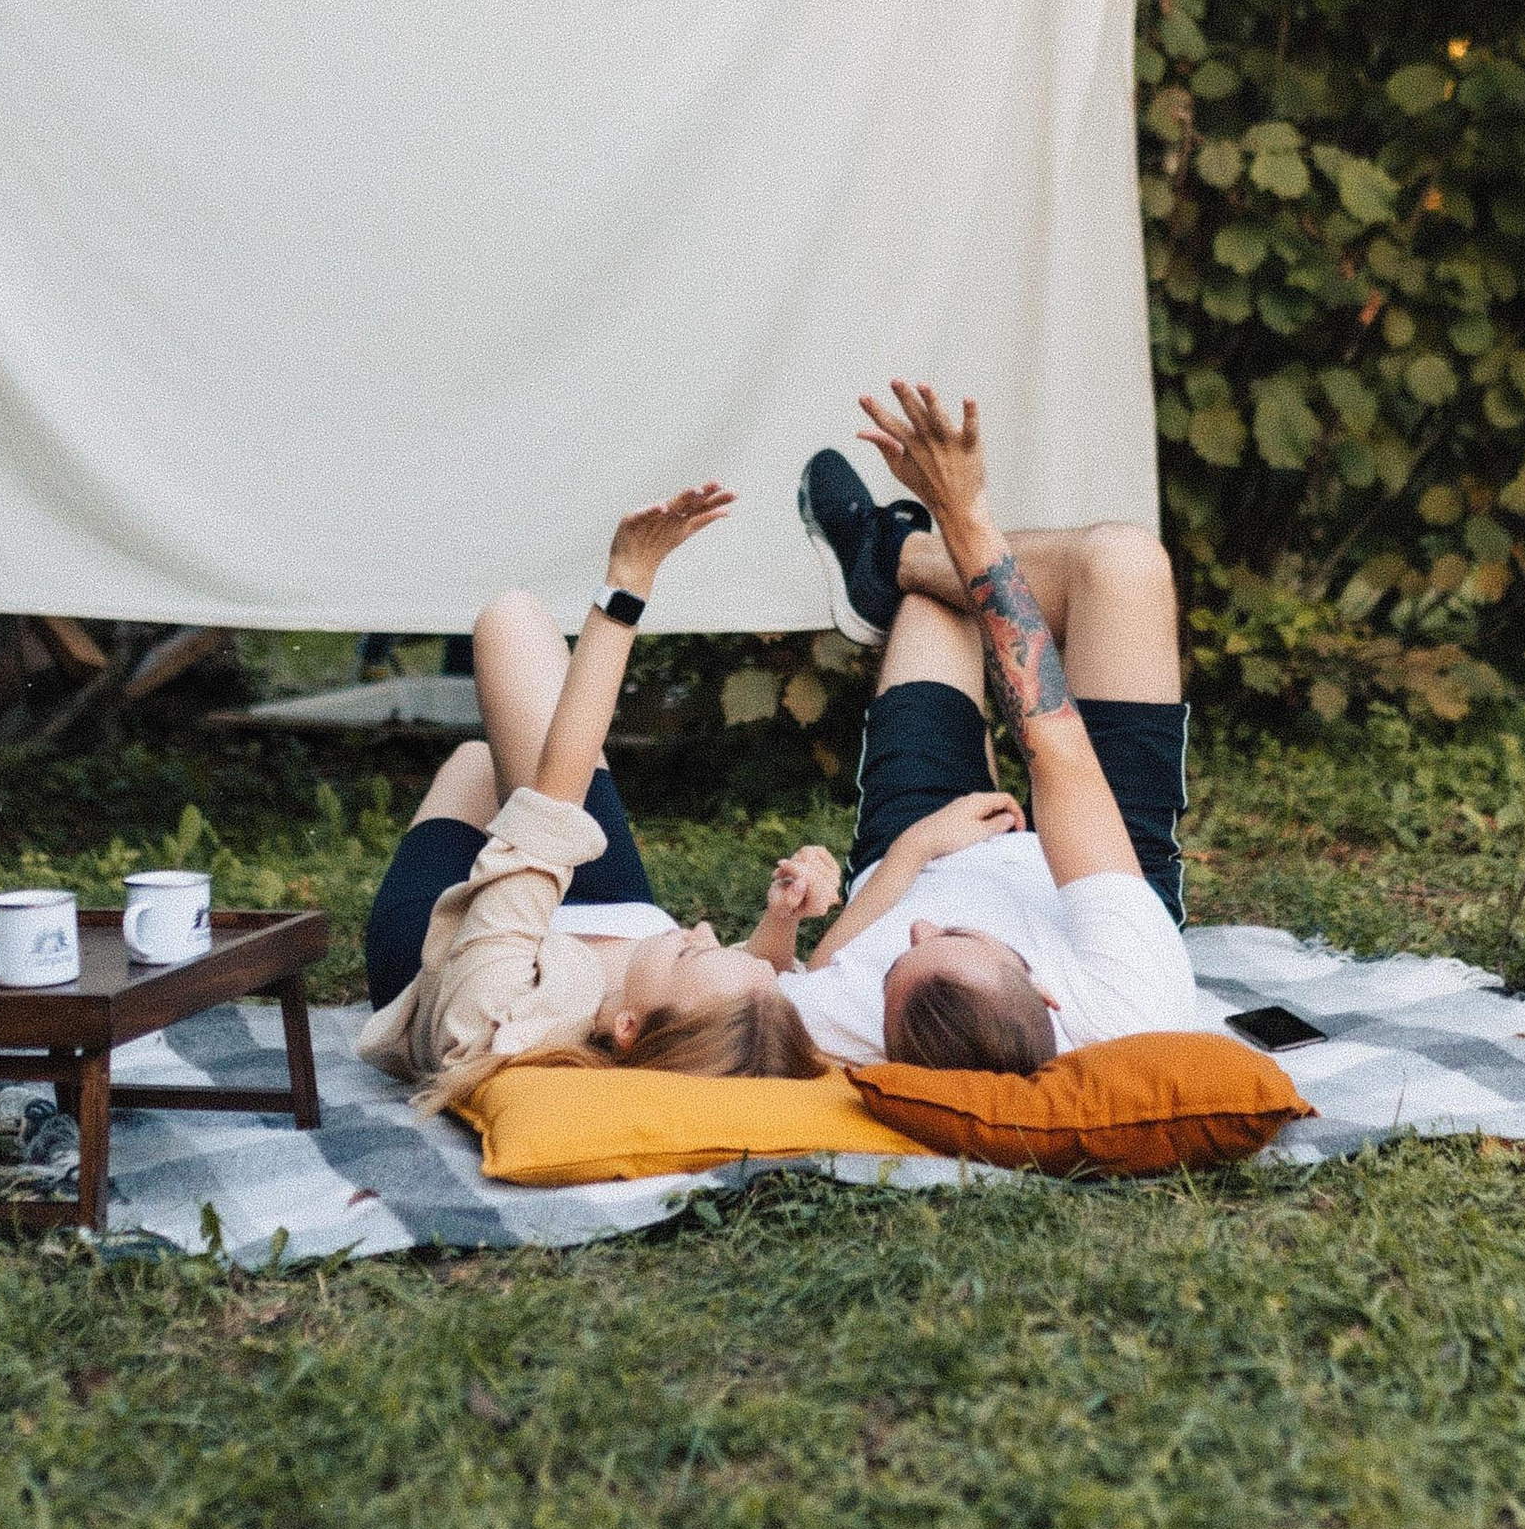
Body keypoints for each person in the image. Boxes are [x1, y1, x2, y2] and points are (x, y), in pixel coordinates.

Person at [358, 484, 837, 1109]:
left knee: (507, 639)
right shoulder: (686, 1024)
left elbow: (553, 798)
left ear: (627, 1029)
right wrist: (779, 929)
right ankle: (500, 769)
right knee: (487, 755)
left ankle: (492, 779)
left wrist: (626, 587)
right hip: (606, 916)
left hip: (433, 949)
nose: (703, 926)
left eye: (695, 953)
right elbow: (748, 996)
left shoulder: (496, 1015)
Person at [784, 385, 1200, 1072]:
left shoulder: (864, 1021)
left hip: (923, 845)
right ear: (1045, 992)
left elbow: (821, 969)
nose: (915, 932)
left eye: (894, 963)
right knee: (1126, 562)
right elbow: (1056, 750)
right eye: (949, 938)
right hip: (1112, 866)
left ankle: (901, 565)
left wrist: (913, 853)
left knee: (933, 608)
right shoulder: (1130, 1005)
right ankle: (903, 552)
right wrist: (962, 513)